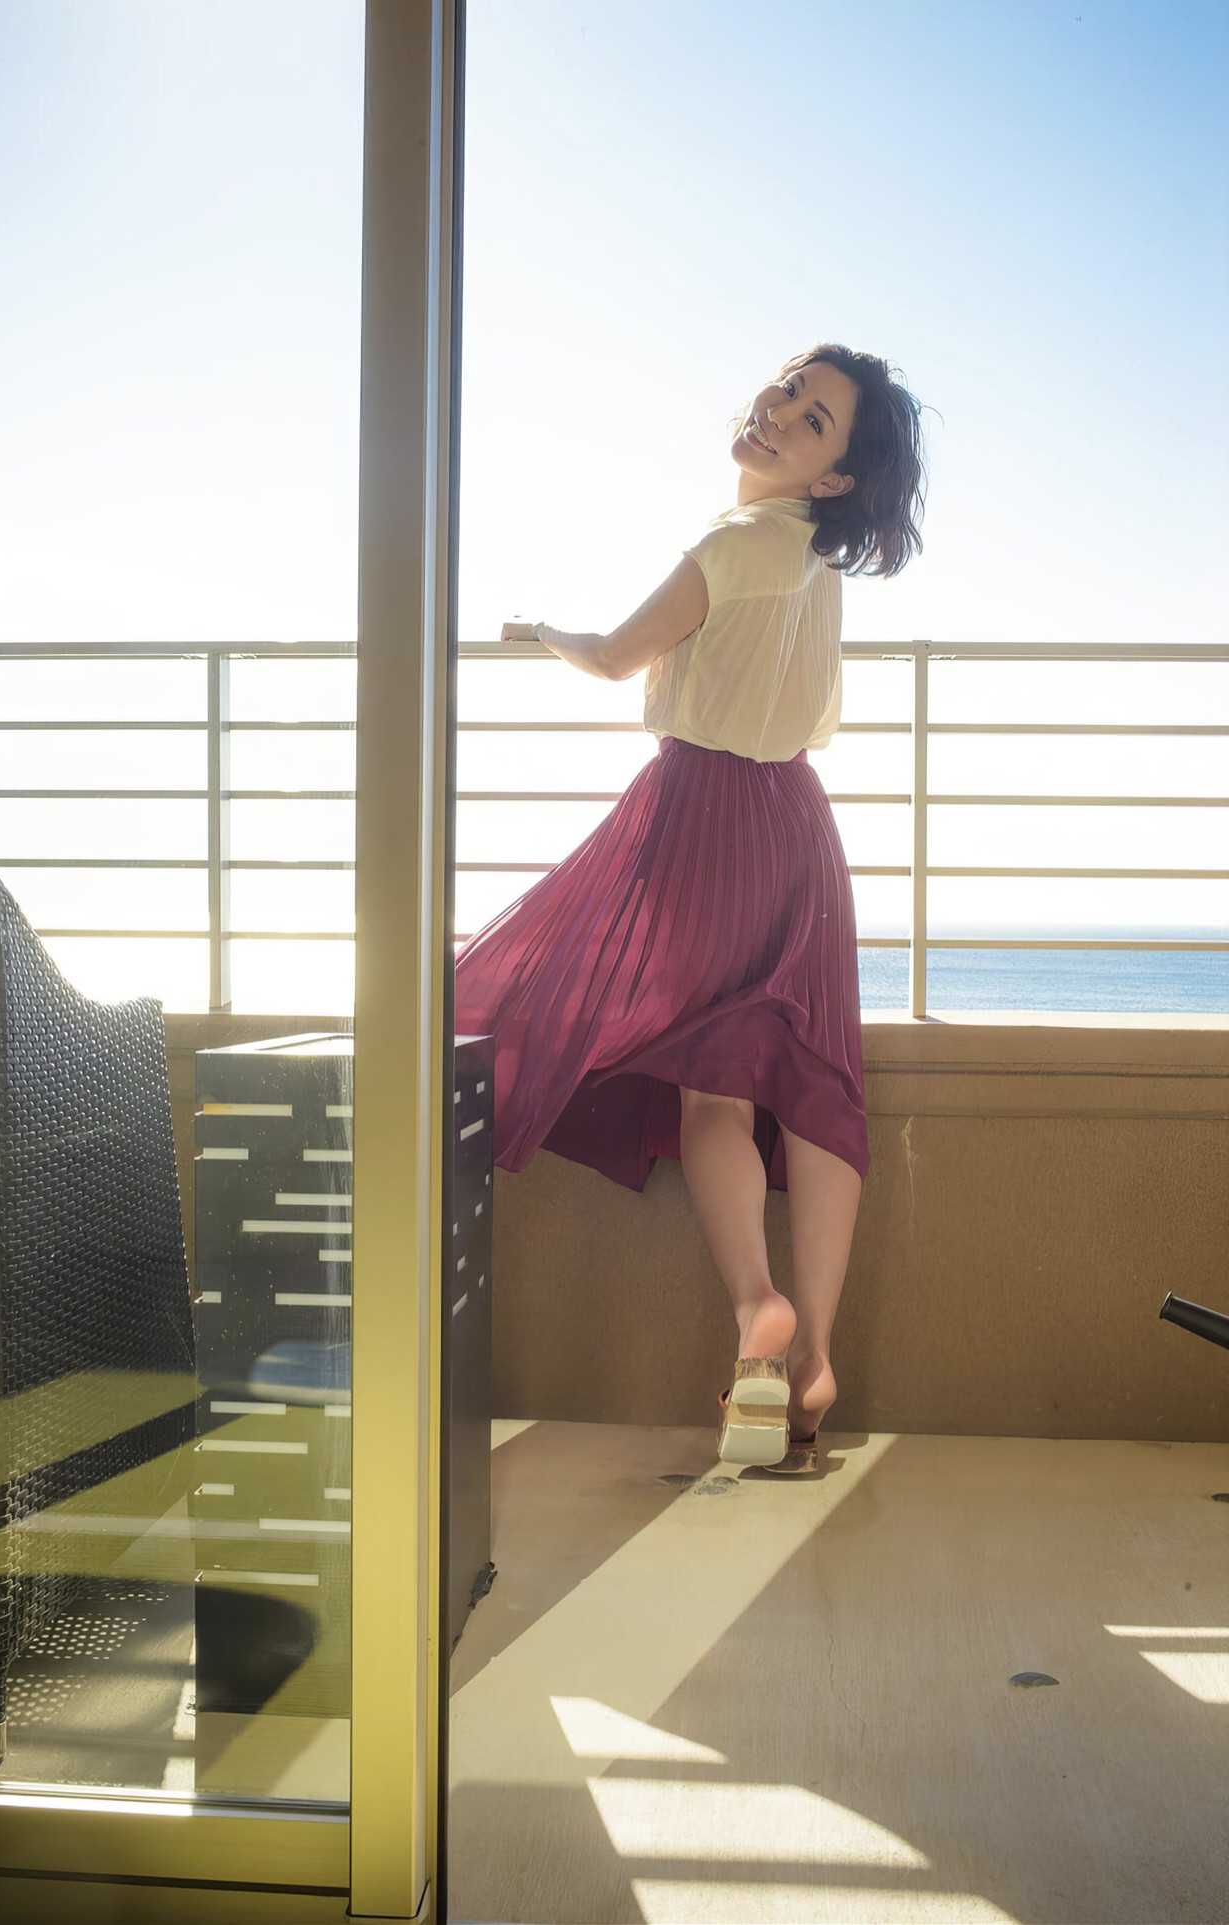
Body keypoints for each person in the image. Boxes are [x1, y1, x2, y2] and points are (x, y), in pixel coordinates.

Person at [454, 343, 928, 1471]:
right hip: (798, 827)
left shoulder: (731, 544)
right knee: (815, 1089)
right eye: (787, 390)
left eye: (810, 419)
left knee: (713, 1094)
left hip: (700, 816)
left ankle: (757, 1303)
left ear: (830, 475)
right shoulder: (815, 570)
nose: (777, 411)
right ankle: (815, 1362)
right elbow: (812, 719)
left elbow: (617, 656)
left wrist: (546, 634)